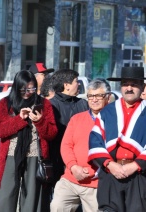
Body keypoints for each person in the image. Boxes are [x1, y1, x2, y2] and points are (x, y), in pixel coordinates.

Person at [0, 70, 57, 212]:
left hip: (35, 155)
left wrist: (40, 121)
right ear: (17, 87)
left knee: (32, 197)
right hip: (10, 154)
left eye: (31, 89)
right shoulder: (6, 103)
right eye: (24, 89)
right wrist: (19, 119)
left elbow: (52, 133)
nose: (28, 92)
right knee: (6, 194)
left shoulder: (44, 104)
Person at [88, 67, 146, 211]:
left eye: (134, 84)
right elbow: (95, 139)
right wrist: (109, 164)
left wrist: (135, 166)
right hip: (110, 173)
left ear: (143, 87)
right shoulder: (108, 111)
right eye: (125, 84)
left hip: (139, 175)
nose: (129, 88)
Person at [51, 79, 111, 212]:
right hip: (71, 178)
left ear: (108, 97)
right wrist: (73, 167)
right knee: (57, 206)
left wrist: (93, 172)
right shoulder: (77, 119)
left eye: (98, 96)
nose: (94, 100)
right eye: (90, 96)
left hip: (97, 182)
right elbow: (66, 145)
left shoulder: (113, 121)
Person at [46, 69, 89, 210]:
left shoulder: (83, 104)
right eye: (76, 81)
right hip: (58, 161)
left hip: (83, 162)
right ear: (67, 85)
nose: (79, 85)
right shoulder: (51, 105)